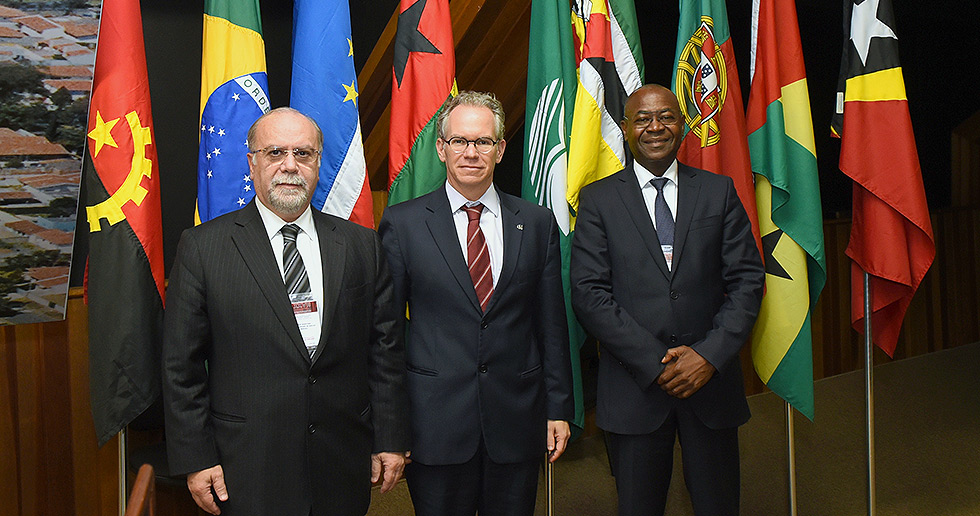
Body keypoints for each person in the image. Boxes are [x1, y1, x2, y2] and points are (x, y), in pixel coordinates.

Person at [162, 107, 409, 516]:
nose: (290, 166)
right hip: (248, 466)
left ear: (318, 162)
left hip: (342, 462)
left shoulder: (361, 245)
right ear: (252, 162)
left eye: (304, 153)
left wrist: (390, 437)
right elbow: (180, 368)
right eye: (275, 152)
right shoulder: (203, 248)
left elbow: (385, 352)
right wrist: (196, 457)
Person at [571, 84, 764, 516]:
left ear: (683, 125)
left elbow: (748, 281)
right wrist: (656, 363)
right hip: (634, 391)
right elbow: (588, 293)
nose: (654, 127)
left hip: (710, 387)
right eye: (642, 118)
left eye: (666, 117)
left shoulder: (719, 192)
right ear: (624, 128)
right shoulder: (598, 200)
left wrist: (707, 357)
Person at [378, 91, 574, 516]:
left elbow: (551, 325)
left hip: (517, 421)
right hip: (434, 425)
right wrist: (389, 429)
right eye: (460, 141)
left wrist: (558, 408)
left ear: (500, 150)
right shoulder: (404, 223)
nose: (471, 152)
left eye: (483, 142)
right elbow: (386, 335)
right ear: (441, 148)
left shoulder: (536, 223)